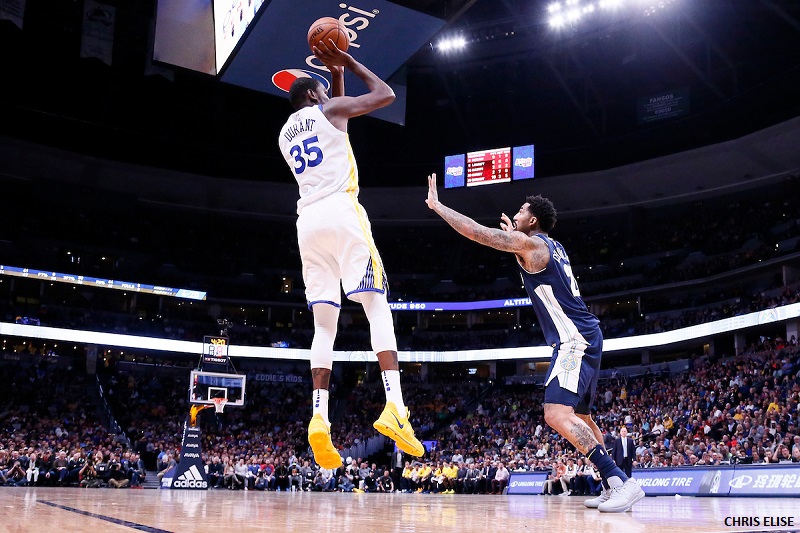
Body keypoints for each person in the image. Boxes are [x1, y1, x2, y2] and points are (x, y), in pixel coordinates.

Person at [425, 175, 645, 513]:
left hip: (573, 340)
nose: (515, 215)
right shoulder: (553, 247)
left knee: (556, 413)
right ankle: (610, 485)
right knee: (582, 418)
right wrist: (516, 242)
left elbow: (477, 233)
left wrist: (439, 207)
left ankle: (621, 482)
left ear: (533, 220)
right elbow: (529, 258)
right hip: (587, 334)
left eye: (520, 212)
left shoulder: (533, 245)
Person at [277, 37, 423, 470]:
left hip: (307, 223)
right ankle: (395, 407)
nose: (328, 93)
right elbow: (385, 95)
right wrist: (350, 61)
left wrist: (334, 77)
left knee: (324, 326)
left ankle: (319, 418)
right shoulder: (329, 110)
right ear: (312, 94)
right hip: (342, 211)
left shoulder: (285, 134)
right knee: (377, 307)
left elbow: (335, 123)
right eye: (322, 89)